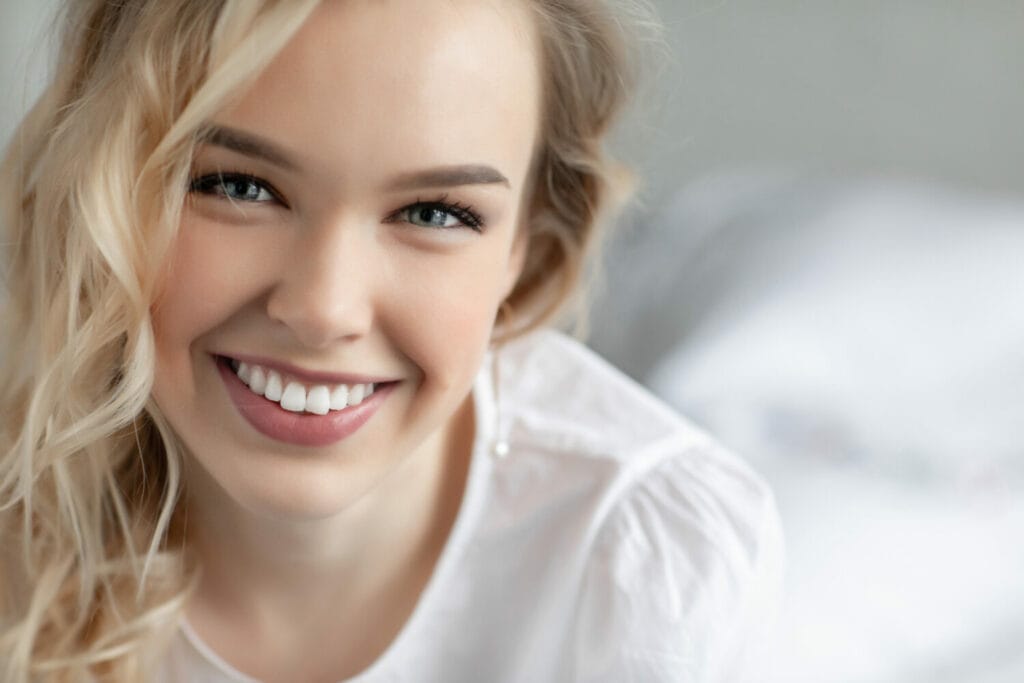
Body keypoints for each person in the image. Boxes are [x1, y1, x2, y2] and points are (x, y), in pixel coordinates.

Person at [0, 0, 783, 681]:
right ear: (95, 191)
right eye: (239, 186)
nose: (323, 308)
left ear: (529, 255)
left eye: (435, 212)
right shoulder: (18, 500)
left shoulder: (644, 563)